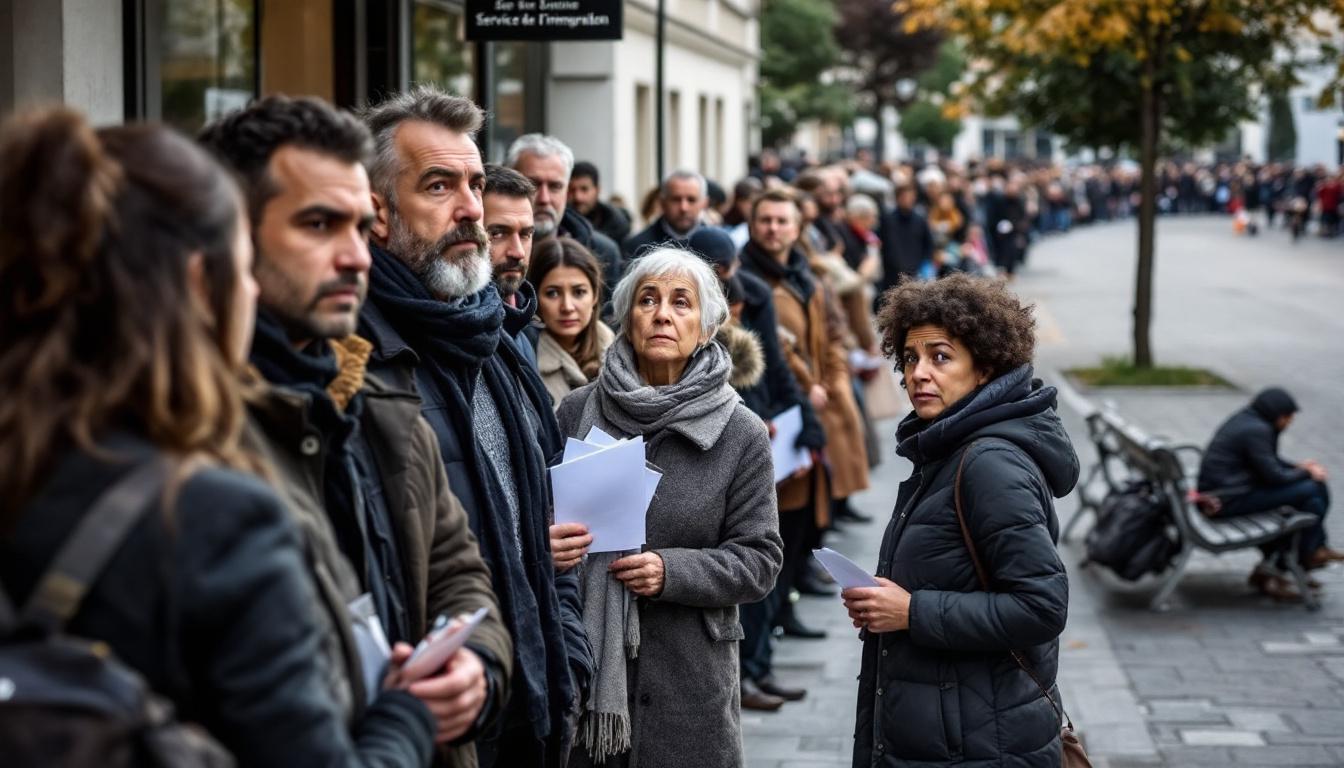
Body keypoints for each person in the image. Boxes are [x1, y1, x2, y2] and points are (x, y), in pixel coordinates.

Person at [0, 108, 435, 766]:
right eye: (244, 267)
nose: (354, 256)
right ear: (204, 285)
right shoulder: (215, 519)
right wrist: (406, 718)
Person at [198, 95, 512, 758]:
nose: (357, 256)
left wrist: (474, 666)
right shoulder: (186, 437)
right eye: (318, 225)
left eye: (360, 225)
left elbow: (460, 570)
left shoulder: (373, 394)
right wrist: (403, 722)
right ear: (229, 236)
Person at [357, 86, 593, 768]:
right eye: (438, 185)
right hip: (437, 732)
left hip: (535, 706)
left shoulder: (496, 339)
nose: (471, 210)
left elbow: (553, 526)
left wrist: (567, 654)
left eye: (475, 184)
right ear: (377, 211)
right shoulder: (358, 367)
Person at [555, 248, 783, 768]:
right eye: (648, 300)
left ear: (705, 328)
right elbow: (539, 521)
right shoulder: (575, 410)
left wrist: (669, 570)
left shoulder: (740, 431)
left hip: (689, 680)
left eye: (681, 303)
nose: (662, 314)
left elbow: (761, 560)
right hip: (586, 671)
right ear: (626, 318)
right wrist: (551, 545)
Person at [843, 273, 1077, 767]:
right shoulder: (944, 448)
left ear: (985, 368)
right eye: (910, 358)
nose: (918, 374)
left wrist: (912, 612)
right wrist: (885, 605)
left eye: (941, 357)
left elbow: (1041, 608)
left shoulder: (989, 463)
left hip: (977, 743)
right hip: (952, 729)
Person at [741, 189, 870, 634]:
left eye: (783, 221)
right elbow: (774, 350)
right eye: (766, 220)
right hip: (783, 407)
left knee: (805, 518)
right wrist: (807, 386)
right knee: (778, 519)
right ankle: (772, 620)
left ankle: (787, 606)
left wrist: (832, 380)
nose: (774, 229)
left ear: (797, 228)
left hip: (817, 407)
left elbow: (830, 336)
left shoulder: (805, 275)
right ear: (753, 224)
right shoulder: (748, 279)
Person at [1197, 388, 1340, 600]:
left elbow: (1266, 463)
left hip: (1227, 493)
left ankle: (1288, 563)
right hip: (1226, 501)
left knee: (1311, 497)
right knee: (1313, 491)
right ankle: (1302, 557)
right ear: (1276, 414)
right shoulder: (1257, 430)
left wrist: (1299, 468)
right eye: (1287, 417)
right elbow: (1274, 476)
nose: (1289, 422)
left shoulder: (1247, 420)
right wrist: (1305, 472)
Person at [507, 134, 623, 303]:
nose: (544, 198)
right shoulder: (487, 252)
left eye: (555, 186)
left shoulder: (603, 252)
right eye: (532, 185)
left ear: (567, 191)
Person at [526, 237, 615, 408]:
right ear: (536, 298)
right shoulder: (527, 362)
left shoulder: (621, 352)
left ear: (595, 295)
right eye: (552, 293)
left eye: (579, 292)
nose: (567, 307)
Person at [483, 164, 541, 368]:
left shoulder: (526, 332)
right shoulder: (464, 343)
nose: (518, 252)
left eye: (525, 234)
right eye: (498, 233)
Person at [622, 169, 708, 259]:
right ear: (662, 202)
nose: (684, 208)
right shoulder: (637, 247)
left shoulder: (716, 245)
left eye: (691, 200)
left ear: (704, 203)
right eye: (676, 199)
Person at [878, 183, 934, 295]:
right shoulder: (887, 220)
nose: (908, 200)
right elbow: (883, 245)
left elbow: (928, 244)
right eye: (904, 197)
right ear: (898, 198)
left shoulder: (920, 220)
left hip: (915, 271)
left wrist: (923, 264)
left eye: (911, 197)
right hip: (892, 273)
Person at [568, 160, 632, 244]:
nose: (578, 197)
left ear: (597, 190)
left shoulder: (616, 224)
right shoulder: (559, 223)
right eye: (572, 190)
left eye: (584, 189)